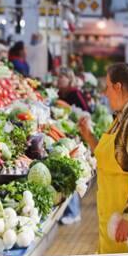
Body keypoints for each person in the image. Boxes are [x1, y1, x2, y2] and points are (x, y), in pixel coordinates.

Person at [78, 63, 128, 254]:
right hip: (111, 218)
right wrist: (88, 136)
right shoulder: (121, 118)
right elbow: (109, 159)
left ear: (118, 87)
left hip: (124, 224)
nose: (105, 93)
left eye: (108, 86)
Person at [56, 67, 91, 225]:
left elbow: (86, 111)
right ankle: (71, 210)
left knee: (72, 171)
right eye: (58, 77)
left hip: (76, 135)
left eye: (61, 77)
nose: (58, 80)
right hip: (65, 134)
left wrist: (72, 113)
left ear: (69, 78)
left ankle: (74, 212)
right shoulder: (59, 94)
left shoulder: (75, 93)